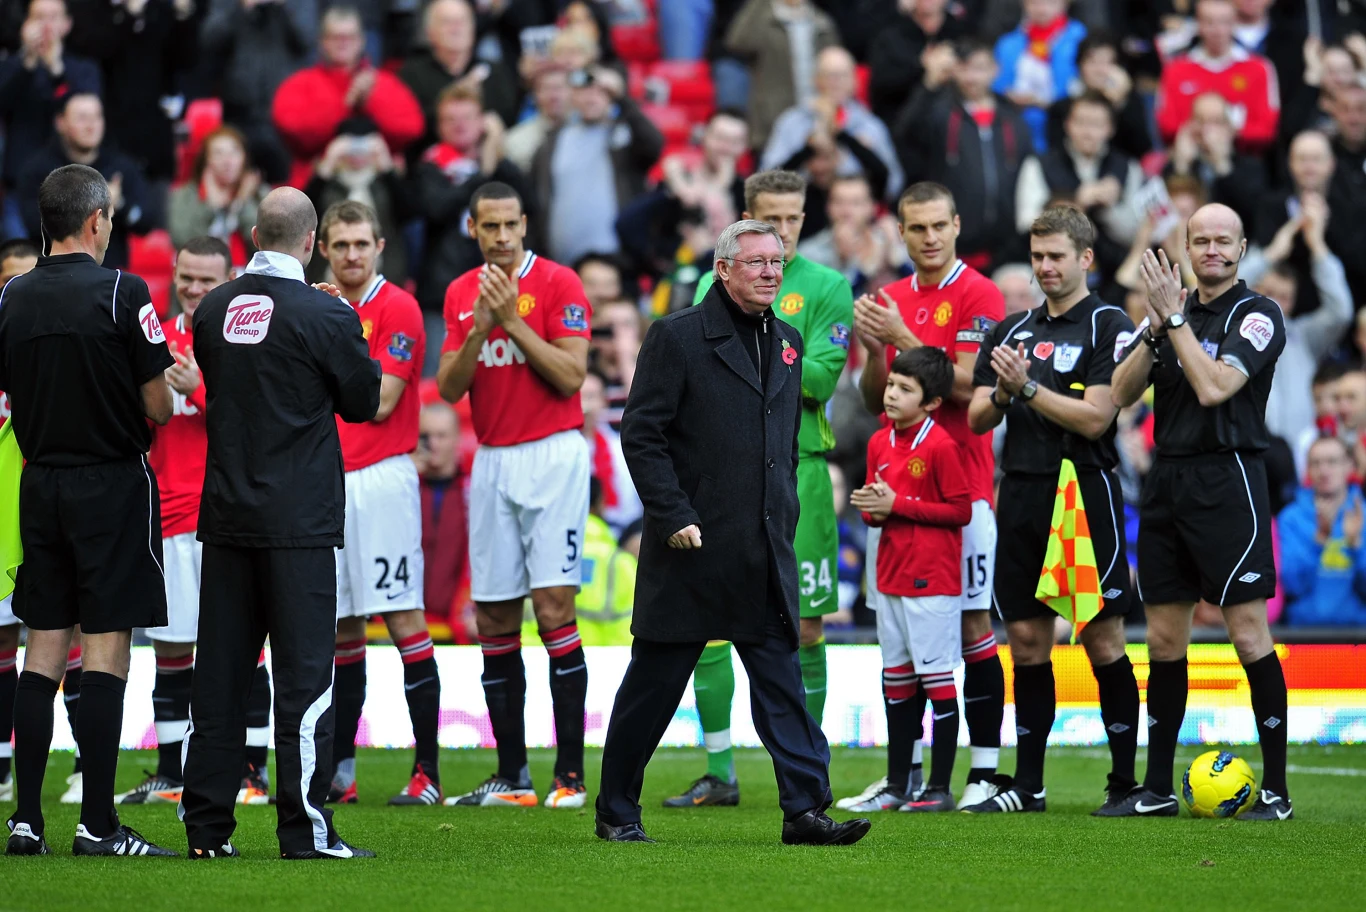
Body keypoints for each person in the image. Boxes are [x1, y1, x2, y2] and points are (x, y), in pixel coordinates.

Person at [596, 218, 870, 846]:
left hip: (762, 546)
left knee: (782, 684)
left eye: (777, 261)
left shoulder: (790, 342)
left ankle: (805, 811)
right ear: (723, 270)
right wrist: (671, 514)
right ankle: (616, 810)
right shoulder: (676, 336)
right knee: (653, 688)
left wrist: (786, 517)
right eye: (756, 263)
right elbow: (641, 434)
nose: (772, 272)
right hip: (689, 545)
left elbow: (781, 448)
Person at [180, 187, 381, 859]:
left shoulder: (213, 309)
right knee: (303, 682)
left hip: (228, 518)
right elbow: (363, 401)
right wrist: (346, 324)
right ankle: (304, 830)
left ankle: (207, 831)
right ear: (311, 239)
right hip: (297, 522)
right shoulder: (325, 315)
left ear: (253, 233)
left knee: (220, 679)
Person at [0, 163, 176, 857]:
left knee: (42, 645)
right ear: (97, 221)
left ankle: (24, 820)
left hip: (39, 483)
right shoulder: (121, 292)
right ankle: (98, 824)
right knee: (104, 646)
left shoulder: (11, 297)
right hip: (109, 483)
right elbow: (158, 403)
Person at [665, 170, 853, 808]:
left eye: (796, 218)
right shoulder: (709, 283)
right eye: (772, 218)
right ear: (745, 217)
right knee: (710, 624)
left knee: (803, 627)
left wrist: (738, 374)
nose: (786, 232)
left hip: (800, 470)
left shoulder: (828, 287)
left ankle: (808, 768)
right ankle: (720, 770)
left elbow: (821, 381)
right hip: (724, 475)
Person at [1111, 202, 1292, 820]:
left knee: (1246, 632)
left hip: (1229, 476)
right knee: (1163, 637)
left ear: (1242, 249)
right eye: (1200, 240)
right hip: (1167, 479)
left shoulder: (1259, 313)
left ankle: (1278, 791)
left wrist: (1177, 319)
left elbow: (1216, 387)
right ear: (1186, 248)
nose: (1211, 250)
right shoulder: (1171, 313)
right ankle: (1157, 788)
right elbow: (1122, 391)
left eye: (1223, 241)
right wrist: (1159, 323)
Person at [962, 206, 1140, 815]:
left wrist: (1030, 389)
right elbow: (978, 417)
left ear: (1086, 259)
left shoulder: (1109, 325)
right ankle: (1029, 785)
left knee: (1101, 636)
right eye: (1038, 256)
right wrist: (1008, 389)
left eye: (1056, 256)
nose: (1045, 267)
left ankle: (1124, 785)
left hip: (1082, 489)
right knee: (1027, 641)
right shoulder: (1011, 331)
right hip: (1023, 492)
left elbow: (1097, 417)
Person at [847, 182, 1007, 810]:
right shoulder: (892, 299)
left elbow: (973, 385)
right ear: (903, 232)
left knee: (971, 624)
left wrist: (902, 334)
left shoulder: (979, 293)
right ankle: (904, 777)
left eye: (940, 225)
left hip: (958, 488)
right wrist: (871, 350)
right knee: (903, 642)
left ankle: (985, 773)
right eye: (917, 228)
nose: (931, 237)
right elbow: (872, 398)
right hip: (893, 490)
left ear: (958, 224)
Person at [436, 181, 592, 810]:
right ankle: (513, 775)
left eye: (510, 225)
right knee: (496, 615)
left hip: (553, 454)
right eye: (488, 227)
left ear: (525, 224)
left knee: (553, 606)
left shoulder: (559, 283)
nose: (500, 237)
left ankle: (572, 777)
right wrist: (478, 331)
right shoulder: (457, 291)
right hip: (494, 459)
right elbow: (448, 389)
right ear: (473, 229)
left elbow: (572, 375)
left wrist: (511, 322)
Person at [115, 236, 277, 809]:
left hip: (228, 515)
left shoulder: (246, 332)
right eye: (186, 277)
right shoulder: (151, 333)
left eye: (206, 280)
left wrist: (200, 391)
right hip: (167, 512)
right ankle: (170, 770)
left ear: (229, 277)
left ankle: (252, 771)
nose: (193, 289)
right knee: (170, 648)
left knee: (239, 647)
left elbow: (265, 418)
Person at [314, 201, 442, 808]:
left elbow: (381, 402)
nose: (351, 255)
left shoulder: (398, 308)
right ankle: (342, 768)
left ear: (380, 245)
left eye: (361, 244)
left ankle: (428, 772)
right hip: (329, 479)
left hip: (384, 477)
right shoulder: (320, 306)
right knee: (340, 626)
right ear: (322, 250)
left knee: (402, 618)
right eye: (340, 245)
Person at [852, 347, 971, 812]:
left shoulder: (941, 445)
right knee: (896, 682)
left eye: (905, 389)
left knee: (938, 681)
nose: (892, 395)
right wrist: (873, 507)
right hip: (889, 576)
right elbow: (878, 511)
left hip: (931, 580)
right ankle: (897, 785)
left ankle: (939, 789)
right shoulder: (879, 442)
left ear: (931, 404)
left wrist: (896, 504)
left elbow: (960, 511)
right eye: (890, 385)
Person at [271, 5, 423, 190]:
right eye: (335, 37)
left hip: (378, 189)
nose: (343, 43)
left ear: (361, 41)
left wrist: (370, 101)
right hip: (317, 188)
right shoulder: (300, 83)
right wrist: (347, 103)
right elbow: (294, 129)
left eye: (349, 37)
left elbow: (411, 128)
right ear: (322, 41)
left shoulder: (382, 82)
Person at [17, 92, 152, 271]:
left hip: (109, 275)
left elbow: (146, 223)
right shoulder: (38, 169)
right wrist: (94, 203)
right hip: (54, 274)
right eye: (82, 118)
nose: (91, 126)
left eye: (97, 117)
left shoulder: (122, 166)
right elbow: (33, 224)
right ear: (60, 122)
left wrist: (119, 204)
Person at [0, 0, 101, 239]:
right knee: (20, 261)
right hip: (21, 181)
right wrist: (28, 62)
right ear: (25, 24)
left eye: (53, 17)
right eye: (39, 17)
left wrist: (56, 69)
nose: (46, 26)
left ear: (67, 24)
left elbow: (83, 112)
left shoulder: (83, 69)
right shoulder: (11, 66)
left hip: (72, 181)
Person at [1154, 0, 1280, 153]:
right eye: (1209, 22)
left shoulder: (1259, 68)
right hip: (1188, 156)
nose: (1217, 30)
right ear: (1198, 24)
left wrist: (1228, 133)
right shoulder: (1175, 69)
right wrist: (1202, 133)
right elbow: (1166, 125)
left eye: (1224, 22)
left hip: (1243, 157)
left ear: (1234, 23)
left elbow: (1266, 129)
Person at [1278, 436, 1366, 627]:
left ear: (1349, 466)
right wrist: (1319, 542)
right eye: (1316, 463)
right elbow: (1292, 587)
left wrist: (1356, 547)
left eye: (1332, 462)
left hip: (1359, 638)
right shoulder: (1291, 518)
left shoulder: (1363, 516)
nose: (1324, 470)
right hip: (1303, 638)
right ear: (1307, 469)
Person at [167, 126, 268, 268]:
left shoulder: (260, 195)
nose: (228, 161)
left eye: (235, 152)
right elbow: (183, 242)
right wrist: (209, 206)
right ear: (206, 160)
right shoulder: (184, 196)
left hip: (250, 276)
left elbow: (265, 245)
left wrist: (241, 203)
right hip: (201, 274)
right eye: (218, 153)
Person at [417, 401, 468, 632]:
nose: (433, 444)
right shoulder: (403, 489)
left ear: (457, 437)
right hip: (403, 624)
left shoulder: (472, 493)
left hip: (459, 625)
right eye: (426, 436)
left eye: (441, 436)